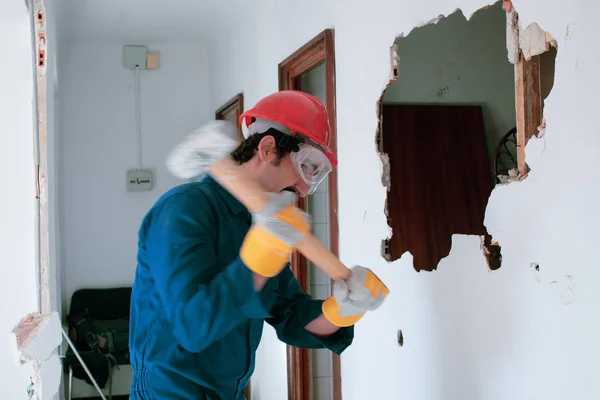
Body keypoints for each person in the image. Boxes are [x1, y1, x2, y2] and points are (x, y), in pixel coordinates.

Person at [128, 90, 388, 399]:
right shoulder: (183, 210)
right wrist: (262, 255)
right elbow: (192, 327)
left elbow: (290, 317)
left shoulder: (259, 227)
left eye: (317, 174)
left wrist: (342, 310)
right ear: (267, 148)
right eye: (307, 165)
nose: (305, 188)